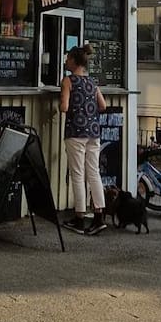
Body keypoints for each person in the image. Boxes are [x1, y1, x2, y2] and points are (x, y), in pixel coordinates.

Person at [60, 43, 108, 235]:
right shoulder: (92, 82)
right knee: (94, 173)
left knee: (78, 174)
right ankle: (99, 216)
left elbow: (64, 107)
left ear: (73, 60)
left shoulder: (68, 80)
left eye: (67, 59)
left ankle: (79, 218)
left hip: (75, 132)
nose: (66, 62)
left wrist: (62, 103)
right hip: (93, 132)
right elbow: (103, 105)